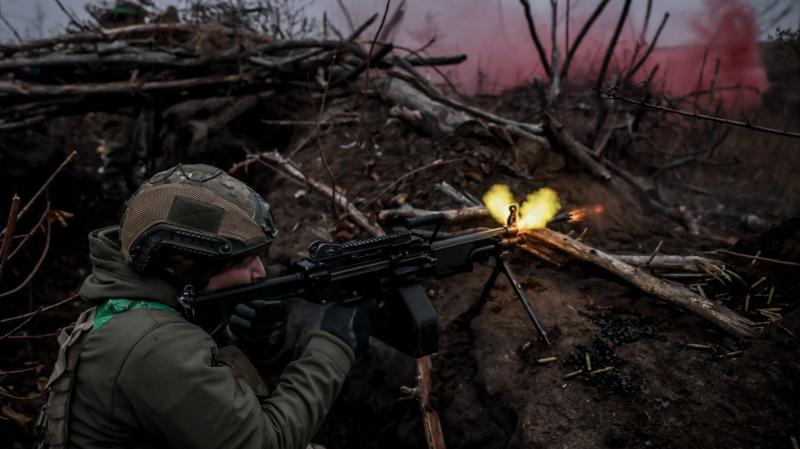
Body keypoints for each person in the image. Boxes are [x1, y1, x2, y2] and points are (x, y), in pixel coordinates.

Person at [40, 164, 369, 449]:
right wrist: (334, 345)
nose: (260, 273)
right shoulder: (154, 345)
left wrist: (255, 344)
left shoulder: (131, 313)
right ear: (186, 268)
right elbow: (265, 442)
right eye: (241, 262)